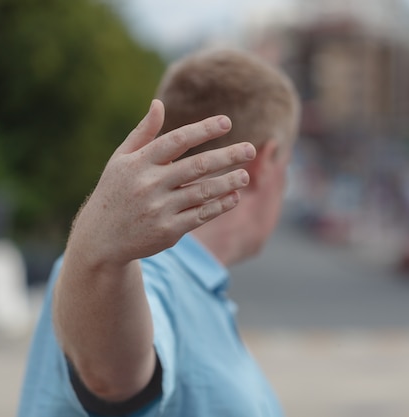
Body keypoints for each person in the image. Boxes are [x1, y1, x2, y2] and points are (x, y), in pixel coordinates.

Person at [18, 47, 301, 417]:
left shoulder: (196, 286)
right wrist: (100, 251)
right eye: (289, 166)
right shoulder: (139, 270)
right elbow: (112, 379)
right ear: (267, 161)